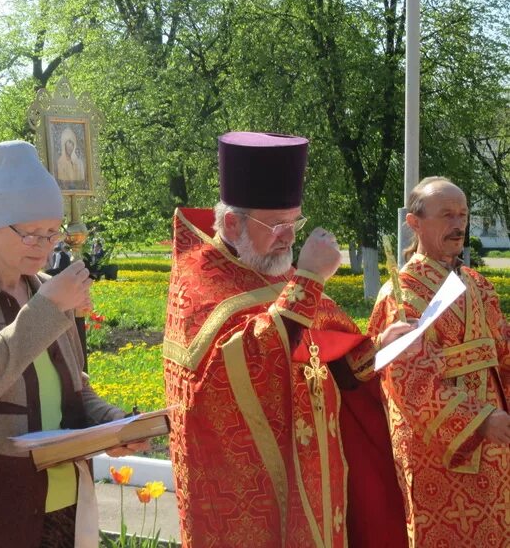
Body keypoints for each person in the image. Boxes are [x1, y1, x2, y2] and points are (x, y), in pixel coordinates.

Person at [163, 132, 417, 547]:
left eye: (293, 222)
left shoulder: (277, 269)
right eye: (276, 225)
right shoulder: (200, 283)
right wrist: (309, 280)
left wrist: (378, 350)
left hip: (319, 480)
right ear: (231, 222)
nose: (289, 237)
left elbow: (330, 353)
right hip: (253, 492)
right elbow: (226, 375)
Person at [0, 140, 147, 547]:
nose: (43, 246)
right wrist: (46, 308)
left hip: (61, 503)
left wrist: (114, 423)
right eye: (30, 234)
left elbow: (74, 387)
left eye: (52, 234)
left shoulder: (43, 291)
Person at [368, 177, 510, 546]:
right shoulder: (400, 295)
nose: (458, 224)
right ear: (414, 223)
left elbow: (503, 351)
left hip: (497, 442)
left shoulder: (478, 284)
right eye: (446, 214)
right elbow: (408, 382)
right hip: (437, 449)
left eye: (462, 214)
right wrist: (478, 420)